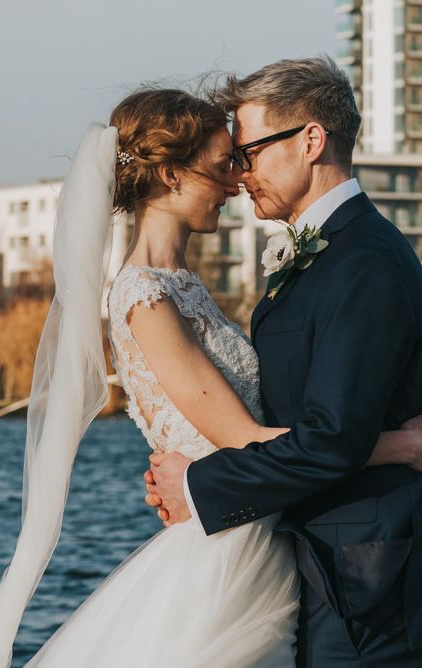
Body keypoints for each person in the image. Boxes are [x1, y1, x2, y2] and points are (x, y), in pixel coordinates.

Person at [0, 84, 422, 668]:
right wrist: (404, 445)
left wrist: (197, 480)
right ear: (169, 175)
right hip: (227, 553)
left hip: (259, 531)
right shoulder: (143, 297)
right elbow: (247, 438)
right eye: (222, 166)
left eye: (242, 161)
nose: (237, 182)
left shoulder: (182, 286)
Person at [147, 57, 422, 666]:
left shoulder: (365, 260)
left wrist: (197, 484)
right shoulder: (325, 257)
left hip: (365, 575)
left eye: (250, 152)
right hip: (314, 559)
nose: (241, 175)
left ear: (311, 142)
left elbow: (332, 439)